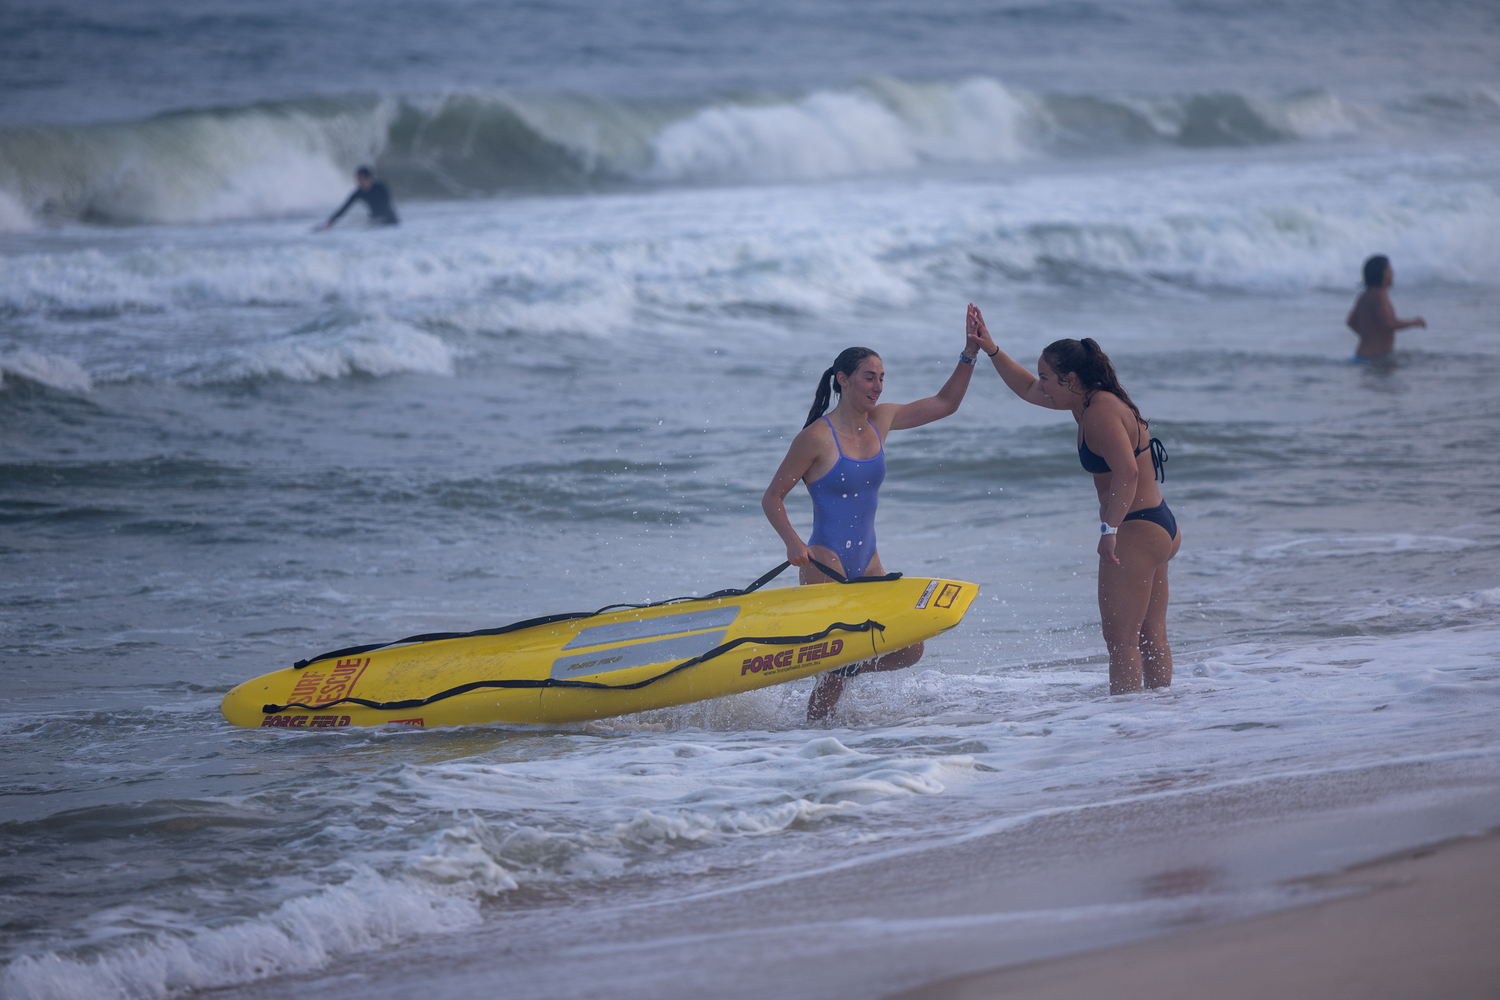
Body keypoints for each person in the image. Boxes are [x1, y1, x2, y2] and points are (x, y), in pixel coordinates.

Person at [762, 317, 983, 719]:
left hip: (869, 560)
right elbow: (772, 497)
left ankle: (834, 675)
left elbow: (946, 404)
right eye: (869, 378)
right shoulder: (816, 437)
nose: (878, 387)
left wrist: (970, 352)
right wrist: (793, 543)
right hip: (825, 563)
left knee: (909, 648)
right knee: (835, 674)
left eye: (882, 378)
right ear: (843, 380)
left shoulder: (882, 421)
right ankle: (814, 742)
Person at [967, 304, 1180, 696]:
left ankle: (1128, 728)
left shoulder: (1098, 413)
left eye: (1048, 377)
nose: (1042, 384)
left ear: (1072, 379)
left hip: (1135, 529)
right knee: (1151, 636)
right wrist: (992, 350)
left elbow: (1127, 473)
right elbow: (1028, 389)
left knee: (1122, 645)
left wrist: (1109, 530)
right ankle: (1159, 720)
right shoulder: (1087, 401)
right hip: (1157, 525)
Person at [1346, 255, 1425, 361]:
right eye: (1390, 269)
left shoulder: (1365, 295)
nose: (1393, 273)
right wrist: (1414, 322)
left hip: (1360, 356)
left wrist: (1370, 336)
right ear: (1384, 273)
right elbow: (1389, 323)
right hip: (1375, 360)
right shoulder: (1379, 294)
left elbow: (1351, 322)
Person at [318, 166, 399, 229]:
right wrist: (330, 222)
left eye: (359, 178)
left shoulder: (381, 187)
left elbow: (387, 203)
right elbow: (344, 208)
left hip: (390, 221)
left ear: (367, 178)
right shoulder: (359, 192)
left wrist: (379, 218)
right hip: (375, 221)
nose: (357, 180)